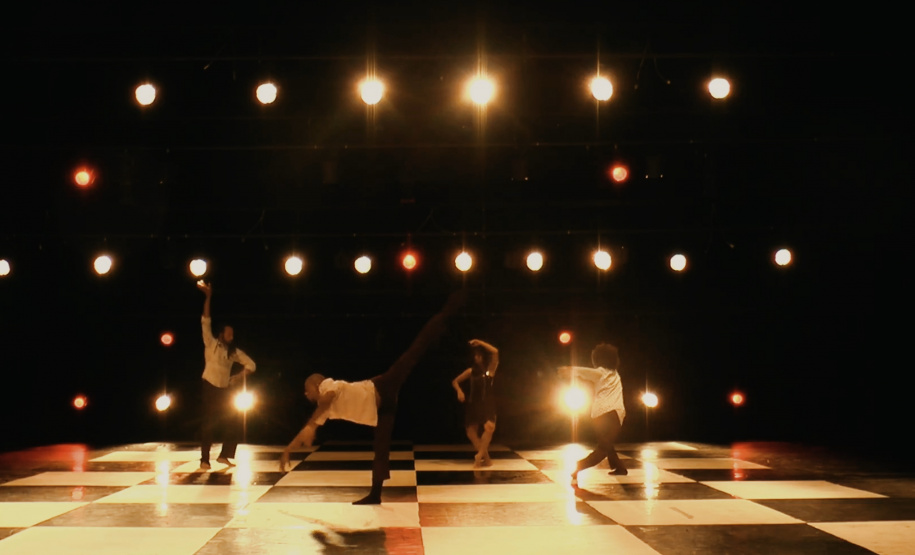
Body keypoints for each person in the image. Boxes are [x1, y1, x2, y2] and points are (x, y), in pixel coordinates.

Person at [279, 291, 465, 504]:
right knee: (380, 449)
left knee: (415, 350)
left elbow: (326, 399)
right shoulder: (323, 409)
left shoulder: (327, 386)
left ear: (315, 384)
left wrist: (312, 426)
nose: (306, 394)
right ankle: (375, 494)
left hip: (382, 386)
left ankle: (447, 311)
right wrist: (288, 450)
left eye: (307, 389)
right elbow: (306, 429)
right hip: (382, 408)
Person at [196, 281, 256, 470]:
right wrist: (208, 297)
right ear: (221, 334)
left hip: (224, 389)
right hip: (209, 386)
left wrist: (239, 377)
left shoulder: (233, 352)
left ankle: (224, 455)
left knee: (234, 421)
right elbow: (206, 320)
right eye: (228, 333)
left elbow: (251, 364)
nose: (231, 336)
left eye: (232, 334)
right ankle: (204, 459)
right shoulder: (211, 343)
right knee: (209, 423)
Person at [558, 342, 628, 483]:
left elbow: (585, 372)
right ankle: (578, 467)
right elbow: (586, 372)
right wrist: (572, 370)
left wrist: (569, 370)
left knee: (606, 445)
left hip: (600, 416)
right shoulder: (614, 375)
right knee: (605, 446)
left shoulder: (602, 373)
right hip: (612, 415)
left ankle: (620, 468)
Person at [451, 338, 499, 467]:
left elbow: (495, 352)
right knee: (471, 432)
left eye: (479, 356)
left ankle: (480, 455)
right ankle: (486, 458)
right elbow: (455, 381)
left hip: (487, 403)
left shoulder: (490, 371)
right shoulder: (470, 371)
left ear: (483, 357)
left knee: (489, 427)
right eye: (475, 356)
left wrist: (480, 342)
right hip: (474, 403)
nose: (477, 358)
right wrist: (459, 391)